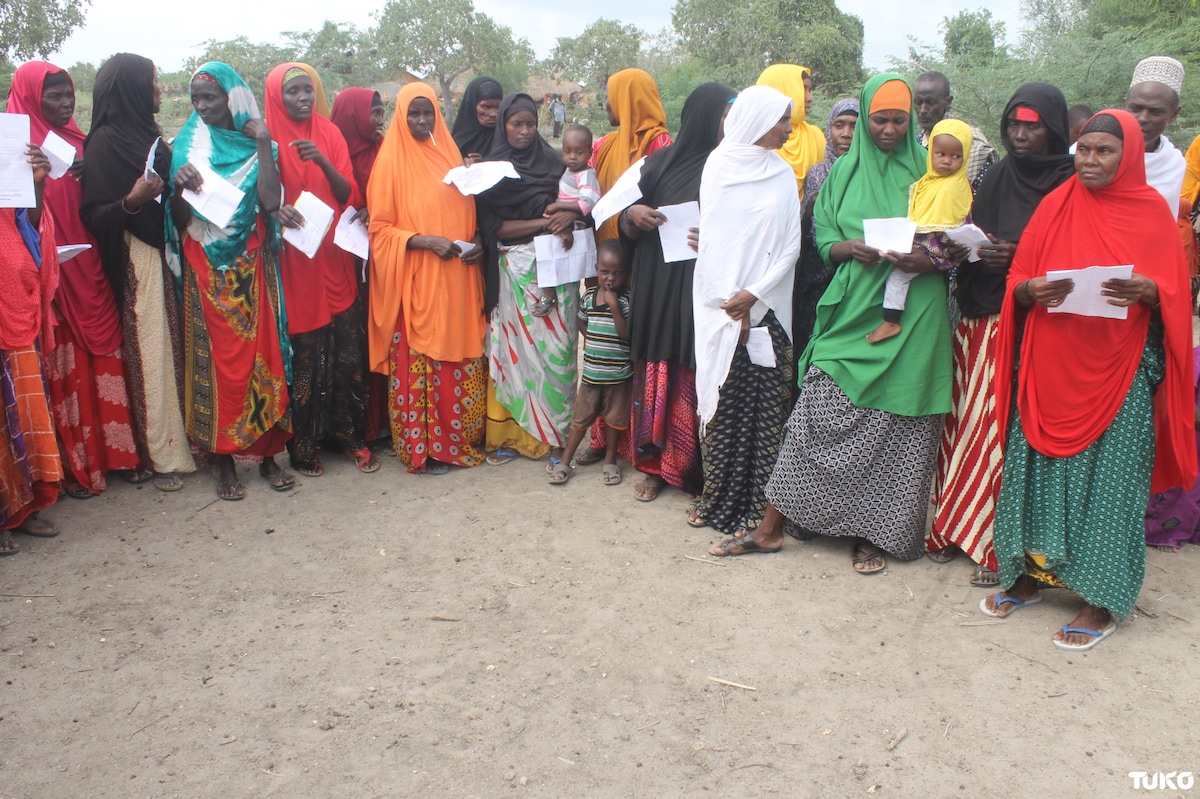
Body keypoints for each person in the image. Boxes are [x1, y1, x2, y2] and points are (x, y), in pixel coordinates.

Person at [711, 75, 952, 573]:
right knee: (814, 412)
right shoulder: (841, 173)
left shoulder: (933, 172)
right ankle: (771, 528)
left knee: (896, 427)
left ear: (912, 122)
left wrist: (930, 259)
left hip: (914, 310)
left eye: (898, 120)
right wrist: (848, 249)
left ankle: (872, 537)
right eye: (878, 119)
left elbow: (957, 236)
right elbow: (822, 237)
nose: (887, 129)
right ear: (864, 118)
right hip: (852, 303)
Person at [984, 109, 1195, 651]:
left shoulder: (1152, 212)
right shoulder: (1055, 204)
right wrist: (1030, 292)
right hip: (1049, 365)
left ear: (1126, 157)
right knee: (1035, 474)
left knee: (1110, 483)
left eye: (1104, 151)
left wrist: (1149, 291)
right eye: (1084, 149)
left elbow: (1175, 295)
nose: (1091, 160)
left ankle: (1100, 601)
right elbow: (1017, 278)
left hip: (1118, 369)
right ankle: (1027, 577)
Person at [928, 84, 1079, 587]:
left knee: (1003, 429)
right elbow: (973, 229)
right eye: (1013, 123)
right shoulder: (995, 177)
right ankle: (953, 525)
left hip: (1030, 327)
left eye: (1032, 125)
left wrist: (1018, 259)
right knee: (964, 421)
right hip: (977, 315)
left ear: (1053, 128)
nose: (1020, 134)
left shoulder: (1070, 185)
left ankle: (996, 542)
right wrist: (970, 249)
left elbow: (1076, 259)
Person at [7, 61, 141, 497]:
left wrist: (90, 177)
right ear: (31, 97)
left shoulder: (80, 144)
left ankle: (120, 456)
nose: (66, 104)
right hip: (50, 275)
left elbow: (99, 210)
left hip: (90, 267)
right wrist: (38, 182)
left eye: (70, 94)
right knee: (66, 369)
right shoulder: (16, 151)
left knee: (106, 357)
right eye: (55, 96)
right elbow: (18, 220)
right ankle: (78, 465)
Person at [167, 61, 293, 500]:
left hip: (252, 263)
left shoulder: (256, 140)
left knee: (263, 357)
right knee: (218, 363)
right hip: (206, 267)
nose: (202, 107)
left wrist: (261, 141)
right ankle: (222, 458)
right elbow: (179, 218)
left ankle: (268, 453)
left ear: (233, 98)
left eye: (211, 98)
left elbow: (271, 201)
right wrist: (180, 188)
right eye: (196, 99)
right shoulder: (188, 145)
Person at [79, 53, 195, 493]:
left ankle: (183, 436)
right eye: (152, 82)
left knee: (174, 346)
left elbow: (173, 207)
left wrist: (181, 186)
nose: (159, 90)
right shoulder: (106, 143)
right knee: (151, 352)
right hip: (136, 259)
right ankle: (160, 451)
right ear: (130, 89)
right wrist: (133, 199)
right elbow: (94, 213)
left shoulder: (151, 138)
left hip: (166, 253)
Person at [617, 82, 737, 503]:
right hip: (657, 283)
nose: (729, 123)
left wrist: (717, 239)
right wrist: (633, 217)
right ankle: (652, 464)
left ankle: (688, 467)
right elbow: (623, 224)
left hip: (702, 287)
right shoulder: (659, 164)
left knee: (696, 366)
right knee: (658, 364)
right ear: (704, 117)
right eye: (723, 114)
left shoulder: (732, 167)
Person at [692, 84, 801, 539]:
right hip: (721, 311)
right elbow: (714, 242)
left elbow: (790, 246)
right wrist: (729, 307)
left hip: (768, 309)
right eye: (781, 119)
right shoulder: (718, 165)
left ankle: (758, 509)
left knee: (765, 410)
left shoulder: (781, 173)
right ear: (757, 120)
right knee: (722, 407)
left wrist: (753, 295)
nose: (788, 128)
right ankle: (717, 501)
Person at [367, 82, 487, 474]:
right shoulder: (390, 163)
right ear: (401, 115)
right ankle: (426, 449)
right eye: (413, 114)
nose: (421, 121)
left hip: (457, 278)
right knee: (421, 364)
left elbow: (470, 212)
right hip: (418, 280)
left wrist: (478, 240)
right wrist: (423, 241)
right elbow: (380, 231)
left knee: (457, 361)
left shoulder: (449, 154)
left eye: (428, 113)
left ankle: (457, 442)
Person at [265, 63, 374, 477]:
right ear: (277, 95)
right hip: (295, 263)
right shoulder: (266, 139)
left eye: (307, 90)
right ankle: (304, 447)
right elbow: (260, 201)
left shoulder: (329, 133)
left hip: (333, 255)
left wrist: (325, 161)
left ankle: (348, 436)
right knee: (307, 355)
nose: (303, 98)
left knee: (347, 351)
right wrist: (277, 209)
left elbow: (349, 193)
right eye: (292, 91)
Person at [477, 93, 581, 465]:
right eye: (516, 124)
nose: (524, 131)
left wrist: (568, 216)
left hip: (555, 271)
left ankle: (557, 439)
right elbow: (496, 229)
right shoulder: (491, 171)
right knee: (516, 357)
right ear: (503, 125)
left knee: (557, 354)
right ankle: (514, 436)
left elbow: (579, 204)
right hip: (513, 270)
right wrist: (544, 223)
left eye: (530, 124)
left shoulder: (556, 164)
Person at [0, 142, 63, 553]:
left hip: (14, 306)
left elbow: (30, 229)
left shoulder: (7, 165)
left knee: (20, 409)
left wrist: (36, 184)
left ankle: (22, 503)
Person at [868, 119, 972, 344]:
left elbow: (954, 224)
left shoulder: (955, 186)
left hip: (938, 248)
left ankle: (890, 321)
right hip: (926, 242)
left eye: (956, 157)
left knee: (897, 277)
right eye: (940, 154)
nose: (946, 161)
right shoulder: (929, 181)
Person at [331, 87, 388, 443]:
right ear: (352, 115)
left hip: (379, 258)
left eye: (382, 112)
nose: (380, 121)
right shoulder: (332, 150)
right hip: (340, 257)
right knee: (350, 340)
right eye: (374, 113)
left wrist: (375, 209)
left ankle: (382, 421)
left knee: (379, 334)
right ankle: (350, 426)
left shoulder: (385, 150)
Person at [549, 241, 631, 486]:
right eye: (605, 271)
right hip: (592, 376)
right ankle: (565, 462)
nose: (610, 278)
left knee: (614, 421)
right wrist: (593, 339)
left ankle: (610, 462)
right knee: (580, 420)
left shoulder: (626, 301)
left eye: (617, 273)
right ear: (597, 269)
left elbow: (626, 334)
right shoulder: (588, 298)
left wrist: (615, 306)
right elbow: (581, 321)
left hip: (618, 376)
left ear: (625, 273)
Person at [794, 98, 858, 354]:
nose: (846, 134)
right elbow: (815, 226)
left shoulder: (869, 173)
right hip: (818, 275)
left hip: (857, 272)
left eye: (854, 126)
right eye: (839, 125)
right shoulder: (819, 173)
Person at [590, 68, 672, 243]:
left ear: (626, 100)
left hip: (644, 247)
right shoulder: (603, 145)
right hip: (606, 255)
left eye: (610, 97)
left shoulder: (660, 145)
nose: (606, 105)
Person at [530, 123, 600, 319]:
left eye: (579, 152)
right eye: (567, 151)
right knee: (543, 252)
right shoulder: (570, 171)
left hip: (574, 223)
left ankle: (549, 293)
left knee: (545, 252)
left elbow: (589, 203)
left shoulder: (587, 175)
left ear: (589, 153)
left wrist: (559, 207)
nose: (572, 157)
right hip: (562, 221)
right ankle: (549, 291)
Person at [1144, 346, 1200, 550]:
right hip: (1192, 438)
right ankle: (1161, 534)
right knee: (1180, 487)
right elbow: (1184, 394)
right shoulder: (1196, 357)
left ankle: (1189, 531)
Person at [912, 70, 997, 188]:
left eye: (930, 102)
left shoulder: (972, 146)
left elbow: (985, 197)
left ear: (947, 102)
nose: (923, 110)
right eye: (918, 102)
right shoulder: (916, 144)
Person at [756, 64, 827, 204]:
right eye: (803, 89)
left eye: (810, 90)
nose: (809, 97)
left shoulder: (815, 136)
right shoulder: (755, 139)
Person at [1125, 56, 1185, 216]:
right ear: (1124, 106)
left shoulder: (1173, 163)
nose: (1143, 118)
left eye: (1155, 111)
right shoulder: (1086, 152)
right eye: (1136, 109)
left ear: (1174, 115)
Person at [451, 76, 504, 164]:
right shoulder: (456, 143)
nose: (493, 114)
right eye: (486, 106)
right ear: (472, 106)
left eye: (498, 107)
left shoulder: (506, 139)